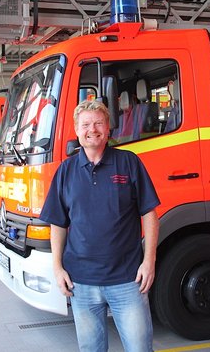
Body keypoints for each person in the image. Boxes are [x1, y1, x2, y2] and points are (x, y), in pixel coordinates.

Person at [39, 99, 160, 352]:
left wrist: (149, 262)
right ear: (76, 130)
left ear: (108, 129)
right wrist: (58, 267)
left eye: (98, 123)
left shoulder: (129, 163)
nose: (91, 129)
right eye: (85, 124)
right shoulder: (66, 171)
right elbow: (58, 224)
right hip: (81, 283)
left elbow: (149, 213)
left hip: (128, 280)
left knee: (140, 349)